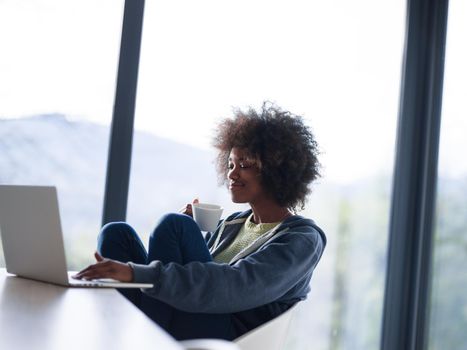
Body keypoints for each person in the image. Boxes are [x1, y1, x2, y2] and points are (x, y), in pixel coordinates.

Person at [74, 102, 326, 341]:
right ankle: (138, 335)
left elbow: (234, 286)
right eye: (230, 164)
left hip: (227, 334)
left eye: (245, 165)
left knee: (173, 226)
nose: (232, 173)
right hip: (189, 315)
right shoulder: (233, 224)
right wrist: (187, 233)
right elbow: (196, 270)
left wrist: (136, 271)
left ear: (277, 170)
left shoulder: (301, 239)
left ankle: (147, 339)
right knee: (116, 233)